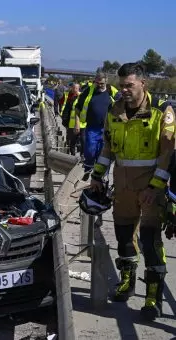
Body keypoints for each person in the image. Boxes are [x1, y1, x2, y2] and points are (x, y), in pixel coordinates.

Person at [90, 62, 176, 321]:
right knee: (124, 237)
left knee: (150, 242)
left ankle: (153, 297)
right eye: (121, 85)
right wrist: (96, 175)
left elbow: (167, 154)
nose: (124, 90)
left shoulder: (162, 112)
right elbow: (107, 148)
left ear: (143, 84)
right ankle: (127, 282)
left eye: (129, 85)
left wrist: (155, 187)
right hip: (123, 188)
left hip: (151, 189)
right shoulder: (114, 111)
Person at [74, 72, 121, 172]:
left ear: (106, 82)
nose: (99, 85)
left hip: (107, 129)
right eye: (97, 83)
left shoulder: (112, 91)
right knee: (90, 152)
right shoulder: (88, 91)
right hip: (92, 128)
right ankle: (88, 171)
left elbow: (123, 103)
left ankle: (102, 180)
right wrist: (77, 123)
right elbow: (77, 108)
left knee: (104, 155)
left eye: (102, 84)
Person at [61, 83, 82, 155]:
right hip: (71, 124)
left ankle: (80, 155)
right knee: (71, 141)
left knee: (80, 141)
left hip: (81, 124)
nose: (74, 90)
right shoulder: (71, 98)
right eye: (73, 88)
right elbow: (67, 110)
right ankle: (72, 155)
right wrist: (64, 121)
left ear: (79, 88)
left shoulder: (82, 97)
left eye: (76, 88)